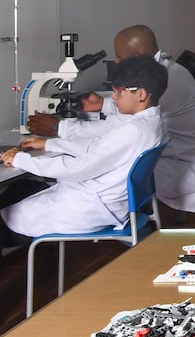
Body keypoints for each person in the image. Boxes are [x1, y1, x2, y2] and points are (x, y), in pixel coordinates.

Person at [26, 25, 195, 215]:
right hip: (181, 158)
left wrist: (60, 128)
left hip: (188, 167)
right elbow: (139, 106)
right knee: (104, 163)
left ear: (138, 56)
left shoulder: (168, 80)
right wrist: (103, 104)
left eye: (119, 56)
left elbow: (118, 127)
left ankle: (107, 216)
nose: (116, 61)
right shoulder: (169, 70)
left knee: (113, 168)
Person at [0, 56, 168, 246]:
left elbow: (77, 168)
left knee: (9, 216)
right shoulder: (154, 123)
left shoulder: (133, 130)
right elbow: (97, 147)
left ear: (141, 94)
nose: (113, 97)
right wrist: (49, 145)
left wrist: (20, 160)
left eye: (119, 93)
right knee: (20, 188)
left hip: (86, 209)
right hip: (105, 202)